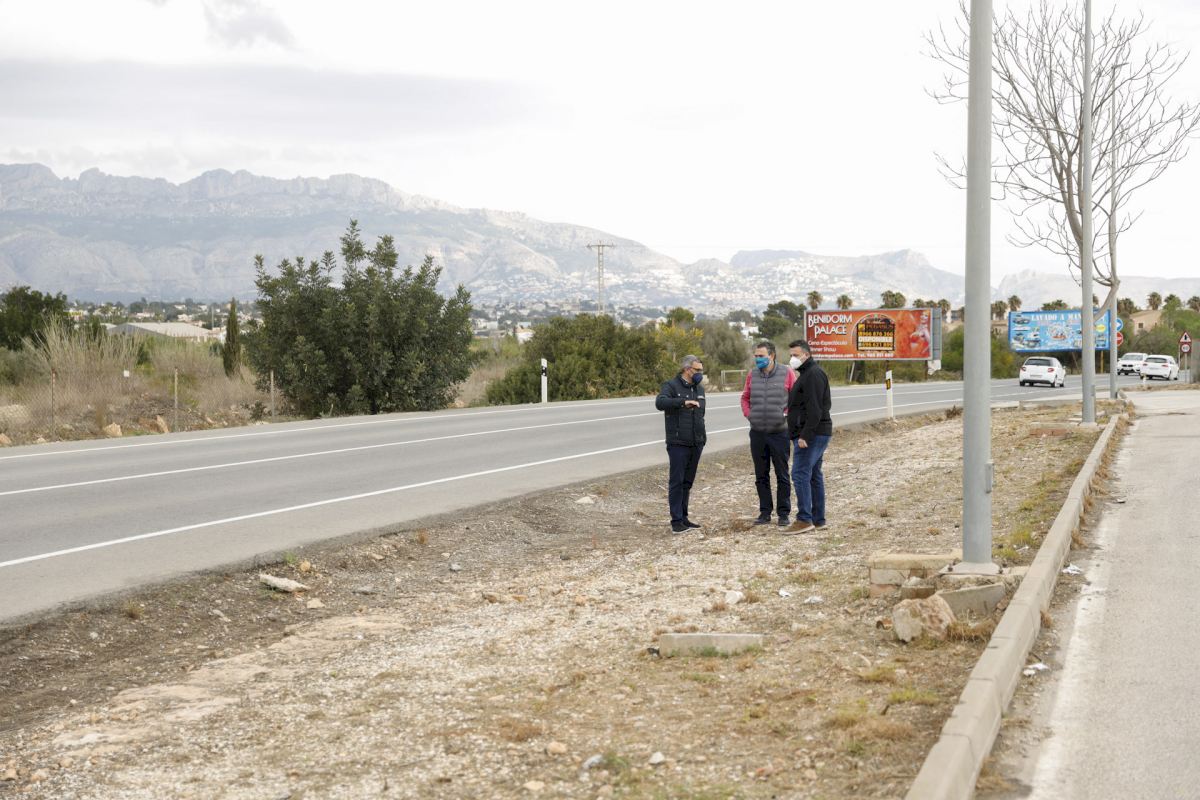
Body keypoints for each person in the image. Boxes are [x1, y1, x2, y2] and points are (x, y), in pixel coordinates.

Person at [740, 341, 795, 526]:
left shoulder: (787, 372)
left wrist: (786, 415)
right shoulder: (752, 374)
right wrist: (749, 415)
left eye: (761, 356)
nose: (757, 359)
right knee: (761, 475)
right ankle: (765, 512)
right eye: (756, 356)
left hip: (779, 432)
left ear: (771, 356)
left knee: (782, 474)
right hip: (757, 433)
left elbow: (796, 398)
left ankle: (783, 514)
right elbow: (745, 397)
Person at [785, 339, 833, 534]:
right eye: (791, 355)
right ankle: (818, 519)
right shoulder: (807, 373)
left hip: (812, 434)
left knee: (800, 473)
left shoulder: (813, 374)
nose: (792, 359)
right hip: (816, 432)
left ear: (806, 355)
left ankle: (804, 519)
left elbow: (815, 409)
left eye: (796, 355)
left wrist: (805, 435)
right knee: (813, 474)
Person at [655, 354, 707, 533]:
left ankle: (684, 518)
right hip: (678, 442)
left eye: (701, 370)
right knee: (676, 482)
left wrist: (702, 438)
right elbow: (660, 402)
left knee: (687, 482)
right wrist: (683, 402)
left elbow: (701, 414)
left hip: (696, 442)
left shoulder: (699, 389)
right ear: (687, 369)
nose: (700, 373)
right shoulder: (671, 385)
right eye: (697, 370)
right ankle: (676, 521)